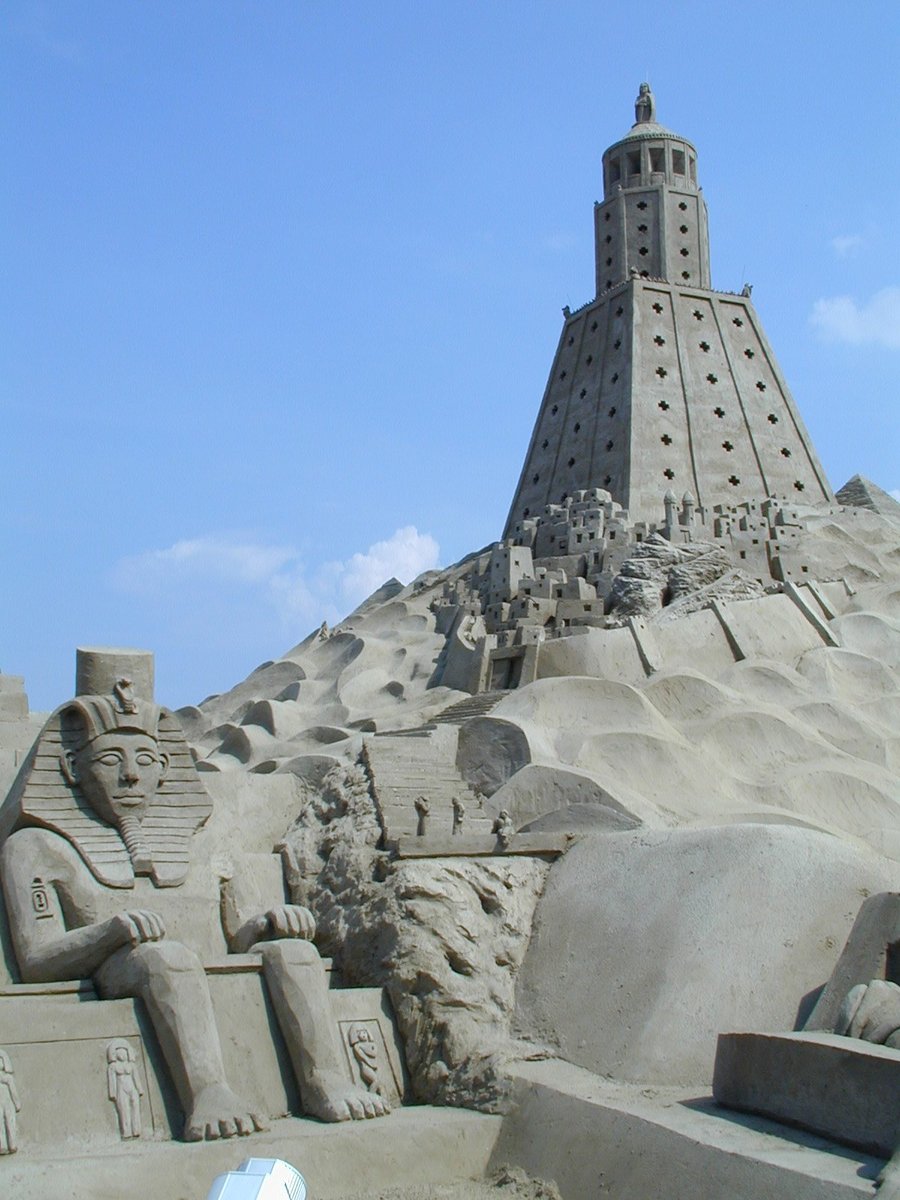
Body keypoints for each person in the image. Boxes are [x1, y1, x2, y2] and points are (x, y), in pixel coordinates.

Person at [0, 666, 389, 1141]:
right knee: (169, 957)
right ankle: (208, 1093)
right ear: (71, 769)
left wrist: (269, 923)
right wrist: (109, 934)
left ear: (165, 770)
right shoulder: (37, 848)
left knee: (294, 951)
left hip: (188, 960)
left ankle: (324, 1079)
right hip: (125, 968)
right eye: (109, 761)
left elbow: (236, 935)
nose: (129, 775)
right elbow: (38, 959)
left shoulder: (202, 841)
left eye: (145, 759)